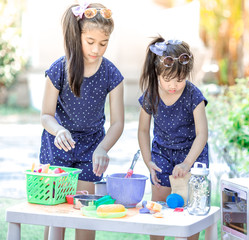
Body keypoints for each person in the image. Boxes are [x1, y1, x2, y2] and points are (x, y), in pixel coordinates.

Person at [39, 2, 124, 240]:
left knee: (85, 212)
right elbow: (46, 115)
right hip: (59, 146)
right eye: (90, 42)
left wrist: (103, 148)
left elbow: (118, 123)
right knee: (56, 214)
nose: (97, 49)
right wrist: (58, 131)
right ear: (78, 36)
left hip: (91, 148)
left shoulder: (112, 74)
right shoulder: (59, 69)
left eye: (103, 43)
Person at [138, 36, 208, 240]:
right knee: (158, 210)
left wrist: (187, 163)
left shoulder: (194, 95)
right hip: (162, 153)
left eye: (180, 79)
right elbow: (143, 130)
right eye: (167, 79)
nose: (173, 85)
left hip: (192, 155)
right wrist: (148, 160)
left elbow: (202, 134)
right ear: (157, 72)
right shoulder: (151, 94)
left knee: (190, 212)